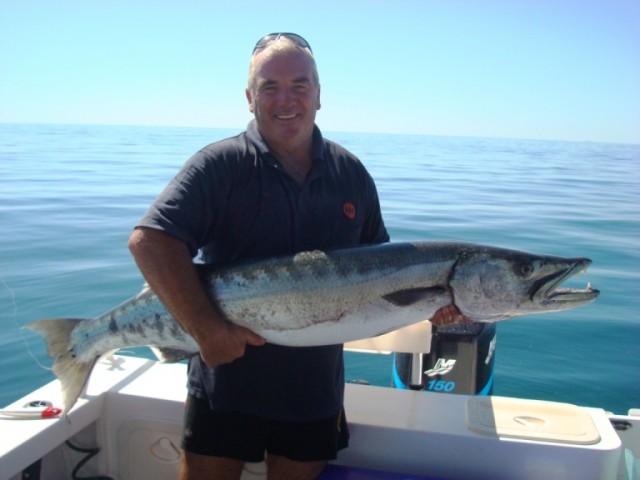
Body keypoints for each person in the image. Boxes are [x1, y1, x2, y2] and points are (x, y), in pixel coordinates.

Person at [128, 33, 390, 479]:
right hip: (225, 383)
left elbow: (383, 268)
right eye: (270, 86)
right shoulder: (218, 165)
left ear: (319, 95)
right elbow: (151, 242)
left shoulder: (352, 174)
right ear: (250, 98)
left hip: (313, 390)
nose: (285, 99)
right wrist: (207, 331)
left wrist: (444, 304)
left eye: (299, 85)